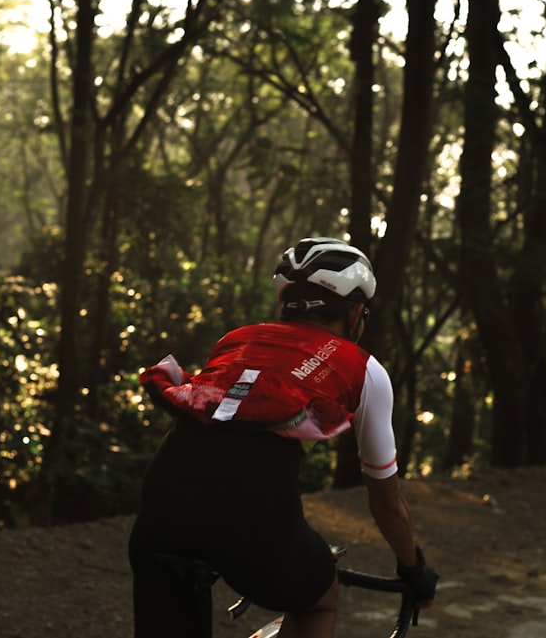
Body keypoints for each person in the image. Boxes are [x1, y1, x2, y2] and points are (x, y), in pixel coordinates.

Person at [129, 237, 438, 638]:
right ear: (357, 313)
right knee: (318, 597)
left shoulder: (235, 340)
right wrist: (413, 567)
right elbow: (385, 502)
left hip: (160, 512)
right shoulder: (364, 369)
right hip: (252, 522)